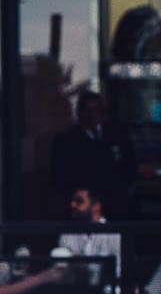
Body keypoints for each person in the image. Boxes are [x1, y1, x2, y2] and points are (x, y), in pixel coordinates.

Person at [49, 90, 136, 221]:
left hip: (116, 206)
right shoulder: (66, 140)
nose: (92, 114)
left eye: (96, 109)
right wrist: (79, 199)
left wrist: (121, 190)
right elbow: (59, 175)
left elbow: (130, 166)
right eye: (87, 110)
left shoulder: (119, 135)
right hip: (84, 210)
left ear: (103, 111)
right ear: (79, 112)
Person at [57, 186, 121, 287]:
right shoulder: (67, 235)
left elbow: (120, 272)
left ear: (96, 206)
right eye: (73, 201)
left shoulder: (113, 235)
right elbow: (61, 273)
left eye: (79, 201)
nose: (72, 204)